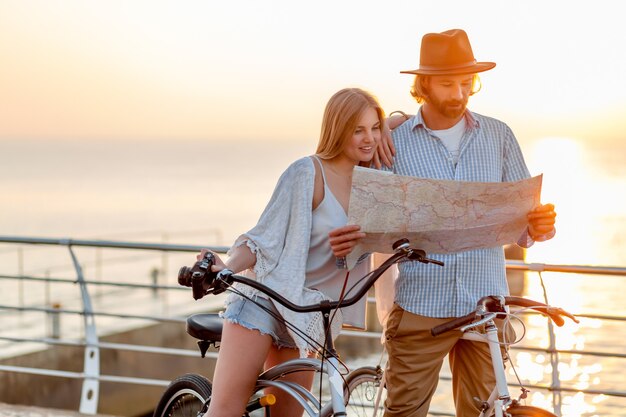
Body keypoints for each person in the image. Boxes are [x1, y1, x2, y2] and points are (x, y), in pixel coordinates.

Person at [328, 29, 557, 417]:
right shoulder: (393, 141)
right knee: (403, 413)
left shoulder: (499, 136)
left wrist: (540, 225)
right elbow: (366, 217)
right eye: (448, 84)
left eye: (466, 83)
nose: (459, 93)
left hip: (485, 307)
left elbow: (524, 226)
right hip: (420, 306)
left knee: (485, 413)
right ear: (424, 85)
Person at [196, 87, 385, 417]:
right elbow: (261, 240)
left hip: (308, 316)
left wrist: (396, 119)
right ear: (338, 129)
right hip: (266, 302)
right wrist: (227, 266)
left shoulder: (375, 182)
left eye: (375, 127)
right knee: (225, 409)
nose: (369, 138)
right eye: (358, 129)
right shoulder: (307, 173)